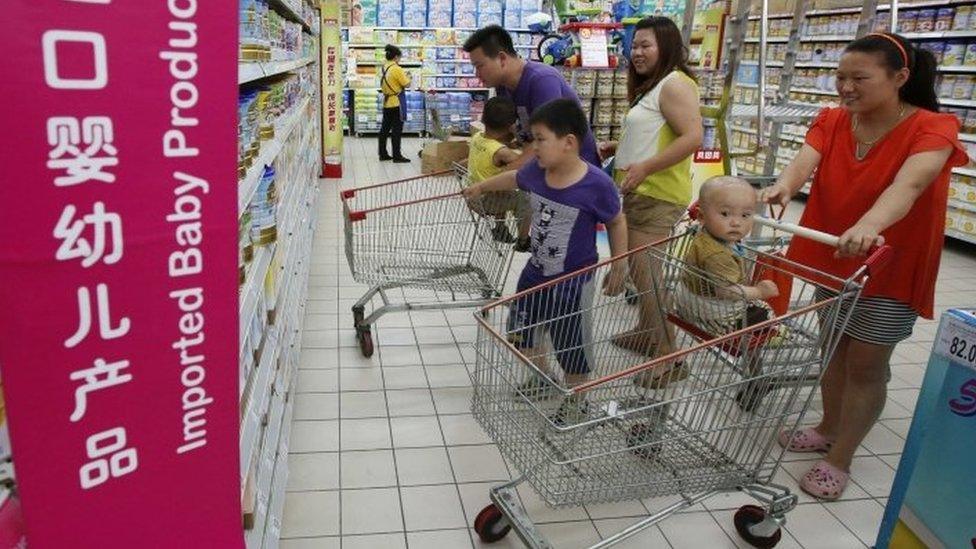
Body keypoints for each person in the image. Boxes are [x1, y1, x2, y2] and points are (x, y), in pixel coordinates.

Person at [762, 32, 967, 500]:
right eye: (840, 77)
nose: (845, 87)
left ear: (900, 77)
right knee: (832, 347)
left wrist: (871, 224)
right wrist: (783, 187)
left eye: (859, 78)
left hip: (890, 264)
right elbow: (804, 161)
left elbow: (910, 186)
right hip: (834, 256)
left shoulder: (934, 128)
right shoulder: (834, 120)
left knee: (867, 365)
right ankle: (828, 425)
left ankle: (841, 456)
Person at [462, 99, 628, 424]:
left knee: (571, 345)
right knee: (520, 332)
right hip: (534, 272)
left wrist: (620, 263)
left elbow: (617, 221)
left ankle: (577, 398)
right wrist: (481, 186)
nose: (532, 146)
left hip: (573, 282)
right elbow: (513, 179)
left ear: (568, 143)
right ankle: (543, 377)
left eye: (540, 139)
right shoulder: (537, 172)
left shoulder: (597, 184)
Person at [597, 17, 703, 386]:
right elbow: (656, 133)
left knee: (647, 277)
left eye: (646, 45)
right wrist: (619, 148)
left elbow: (693, 137)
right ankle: (646, 332)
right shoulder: (655, 86)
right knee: (644, 276)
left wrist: (645, 167)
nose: (637, 52)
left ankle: (669, 358)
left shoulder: (675, 83)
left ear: (667, 47)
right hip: (640, 192)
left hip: (656, 195)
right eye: (635, 45)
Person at [463, 25, 601, 250]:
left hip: (576, 174)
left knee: (570, 245)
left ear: (501, 58)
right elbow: (521, 135)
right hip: (549, 174)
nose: (477, 75)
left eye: (479, 66)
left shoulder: (541, 80)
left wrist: (497, 178)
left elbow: (545, 142)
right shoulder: (504, 89)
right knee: (549, 248)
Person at [675, 177, 778, 337]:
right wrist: (759, 291)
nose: (736, 222)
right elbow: (727, 292)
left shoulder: (707, 235)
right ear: (702, 216)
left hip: (690, 303)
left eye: (745, 215)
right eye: (725, 214)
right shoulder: (717, 255)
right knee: (765, 314)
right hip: (714, 316)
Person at [465, 96, 523, 243]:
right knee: (524, 201)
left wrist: (510, 144)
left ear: (483, 119)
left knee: (501, 187)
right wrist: (517, 134)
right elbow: (522, 163)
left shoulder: (478, 137)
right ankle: (524, 240)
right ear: (510, 125)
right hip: (487, 201)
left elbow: (492, 146)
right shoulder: (500, 151)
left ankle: (500, 228)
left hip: (473, 195)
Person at [378, 44, 411, 163]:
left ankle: (383, 154)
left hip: (387, 102)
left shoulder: (383, 67)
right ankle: (397, 156)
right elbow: (406, 84)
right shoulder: (397, 68)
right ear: (396, 57)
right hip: (396, 102)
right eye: (399, 57)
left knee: (384, 129)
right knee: (397, 130)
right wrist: (409, 77)